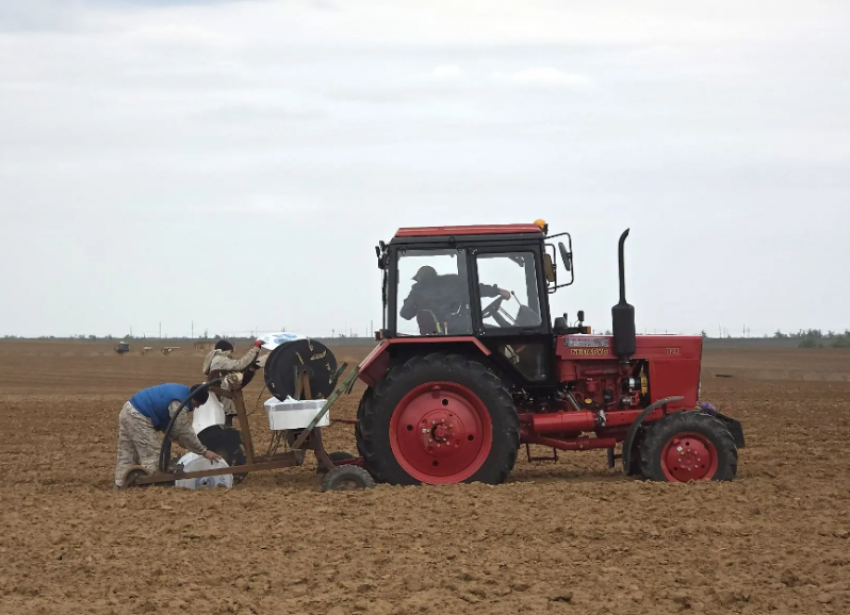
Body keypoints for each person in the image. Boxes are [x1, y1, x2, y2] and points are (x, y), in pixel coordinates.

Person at [114, 383, 221, 489]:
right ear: (194, 400)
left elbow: (171, 428)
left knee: (127, 453)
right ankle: (150, 489)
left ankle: (120, 484)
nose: (196, 408)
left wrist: (186, 444)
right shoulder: (180, 403)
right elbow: (184, 430)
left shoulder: (181, 392)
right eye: (197, 405)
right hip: (139, 415)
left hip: (128, 409)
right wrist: (203, 451)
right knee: (153, 456)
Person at [400, 265, 511, 335]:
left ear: (419, 279)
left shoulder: (417, 292)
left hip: (438, 332)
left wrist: (416, 304)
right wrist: (497, 291)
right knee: (498, 334)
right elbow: (476, 289)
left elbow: (405, 313)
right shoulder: (453, 283)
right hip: (462, 329)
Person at [202, 340, 261, 426]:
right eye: (230, 352)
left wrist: (251, 369)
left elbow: (235, 381)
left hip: (221, 404)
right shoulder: (220, 360)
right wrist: (255, 349)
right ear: (225, 351)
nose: (231, 355)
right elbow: (240, 365)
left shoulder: (218, 361)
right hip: (222, 405)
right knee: (224, 431)